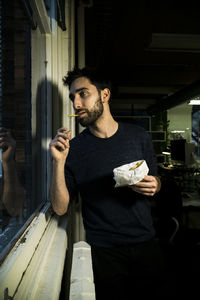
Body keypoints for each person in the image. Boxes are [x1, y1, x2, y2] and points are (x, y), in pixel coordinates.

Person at [49, 67, 170, 299]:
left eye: (83, 93)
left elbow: (157, 180)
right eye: (73, 97)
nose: (76, 103)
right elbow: (60, 208)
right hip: (104, 254)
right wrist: (57, 162)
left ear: (105, 95)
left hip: (147, 245)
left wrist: (157, 184)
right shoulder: (73, 150)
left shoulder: (138, 136)